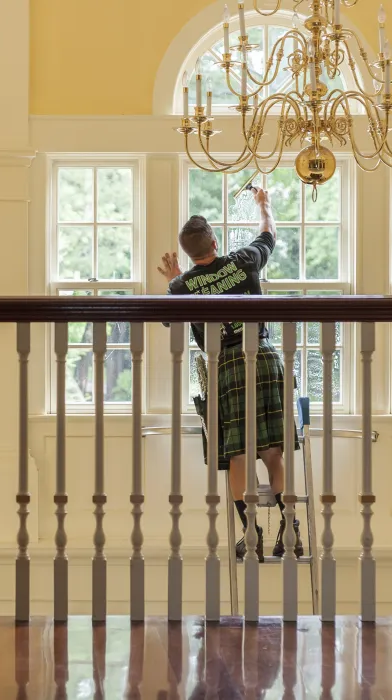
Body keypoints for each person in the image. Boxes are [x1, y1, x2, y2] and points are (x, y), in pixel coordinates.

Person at [157, 185, 303, 562]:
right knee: (272, 450)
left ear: (189, 254)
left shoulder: (181, 285)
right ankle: (290, 526)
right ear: (215, 242)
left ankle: (250, 532)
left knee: (238, 455)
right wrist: (264, 205)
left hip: (227, 369)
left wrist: (178, 281)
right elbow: (269, 233)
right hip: (266, 359)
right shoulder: (243, 261)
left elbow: (170, 320)